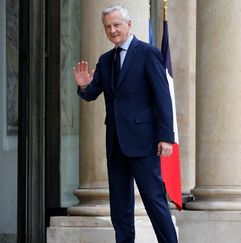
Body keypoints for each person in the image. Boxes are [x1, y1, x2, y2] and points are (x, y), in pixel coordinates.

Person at [73, 5, 178, 243]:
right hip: (116, 143)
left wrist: (166, 137)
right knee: (120, 206)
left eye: (116, 25)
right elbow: (91, 94)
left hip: (144, 142)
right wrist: (82, 85)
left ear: (129, 25)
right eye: (108, 26)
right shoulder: (105, 60)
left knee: (154, 200)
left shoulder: (147, 53)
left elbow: (162, 97)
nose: (112, 30)